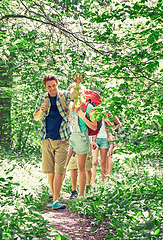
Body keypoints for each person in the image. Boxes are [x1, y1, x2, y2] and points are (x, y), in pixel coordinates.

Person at [33, 74, 81, 209]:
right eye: (49, 86)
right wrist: (41, 110)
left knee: (60, 169)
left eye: (54, 85)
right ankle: (54, 198)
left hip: (63, 138)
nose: (52, 88)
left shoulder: (63, 95)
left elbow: (75, 96)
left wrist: (77, 84)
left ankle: (55, 200)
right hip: (46, 138)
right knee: (51, 171)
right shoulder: (42, 98)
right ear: (45, 87)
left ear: (57, 84)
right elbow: (36, 117)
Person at [65, 89, 97, 197]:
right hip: (70, 138)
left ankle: (81, 196)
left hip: (82, 139)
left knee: (81, 168)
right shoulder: (71, 107)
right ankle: (58, 194)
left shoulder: (89, 108)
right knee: (62, 165)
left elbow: (94, 126)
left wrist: (83, 117)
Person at [91, 112, 120, 182]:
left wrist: (107, 121)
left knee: (103, 162)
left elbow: (116, 125)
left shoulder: (108, 114)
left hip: (105, 139)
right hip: (95, 139)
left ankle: (103, 180)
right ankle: (92, 182)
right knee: (94, 161)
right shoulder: (94, 113)